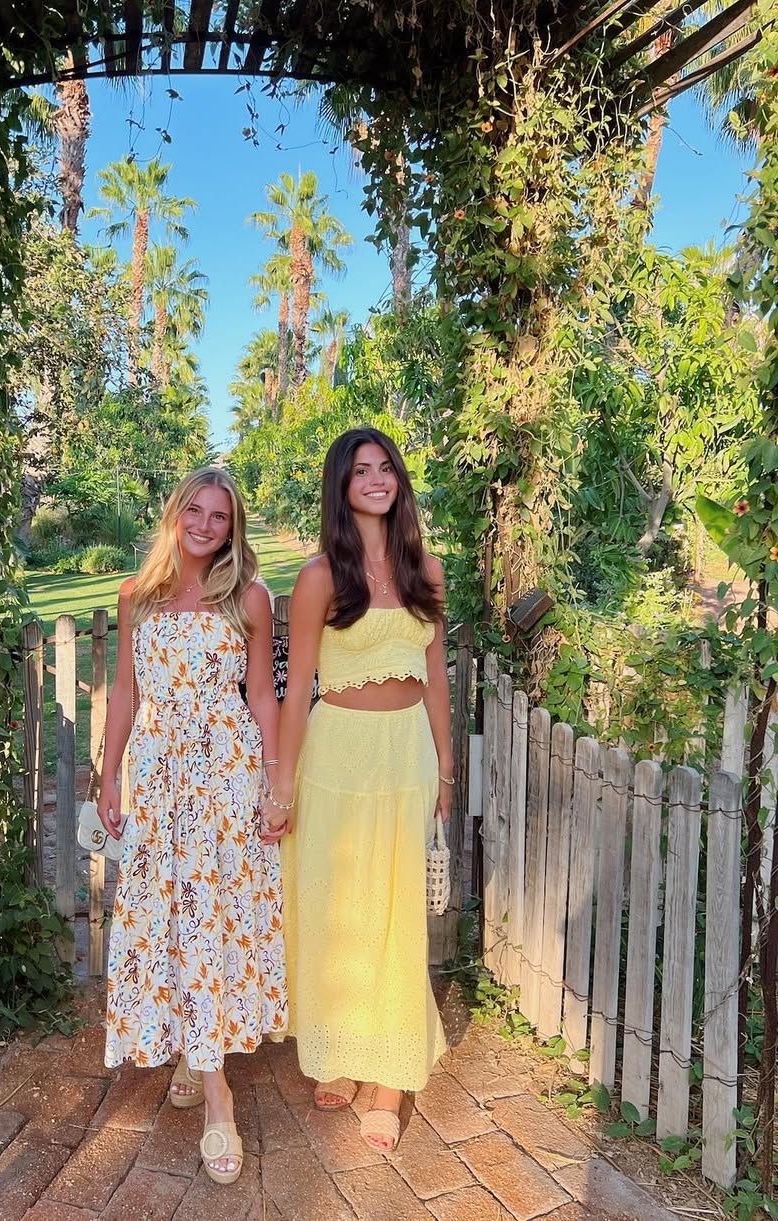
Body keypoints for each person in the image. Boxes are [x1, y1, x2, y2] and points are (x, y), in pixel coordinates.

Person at [98, 467, 287, 1186]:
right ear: (175, 514)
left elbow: (261, 694)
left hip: (225, 774)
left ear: (233, 527)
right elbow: (125, 690)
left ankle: (217, 1096)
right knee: (168, 914)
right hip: (158, 775)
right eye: (195, 511)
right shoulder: (136, 597)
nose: (206, 526)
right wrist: (109, 774)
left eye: (220, 516)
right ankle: (190, 1043)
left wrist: (274, 781)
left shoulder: (249, 597)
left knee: (211, 917)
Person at [265, 426, 452, 1153]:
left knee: (396, 912)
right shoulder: (319, 577)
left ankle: (391, 1078)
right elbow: (296, 689)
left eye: (386, 468)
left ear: (398, 481)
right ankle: (341, 1048)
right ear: (341, 487)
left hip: (405, 756)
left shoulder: (426, 570)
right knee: (338, 909)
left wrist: (445, 767)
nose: (376, 479)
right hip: (336, 757)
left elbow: (436, 679)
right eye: (361, 470)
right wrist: (282, 787)